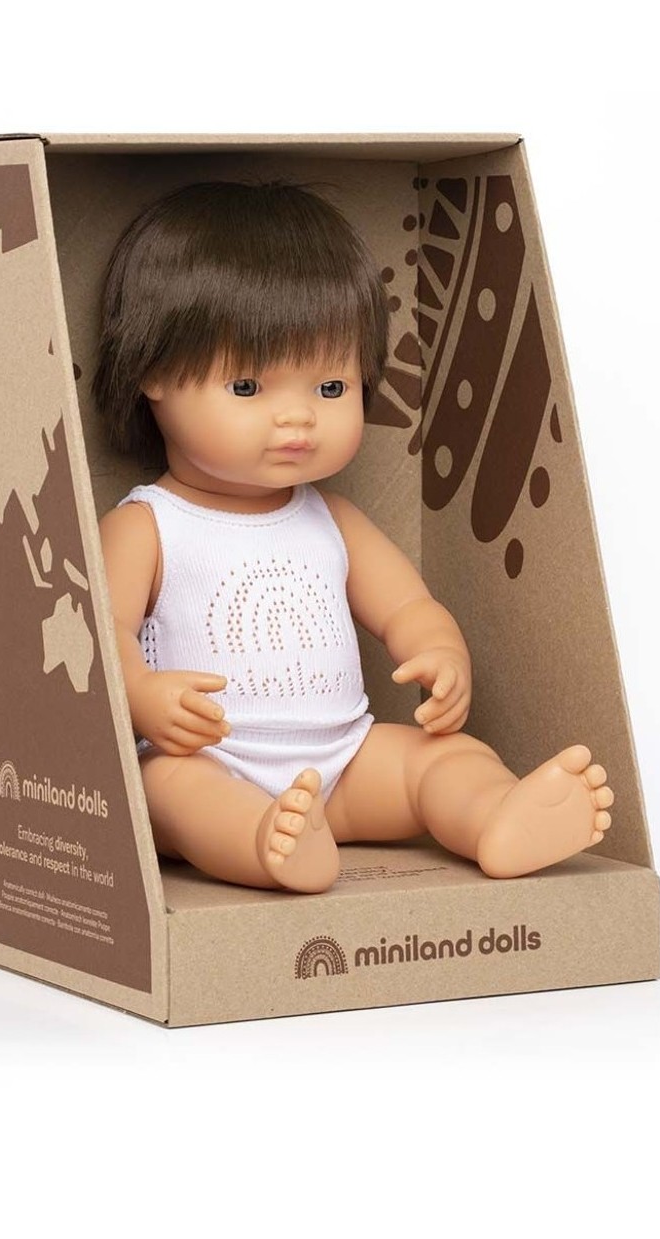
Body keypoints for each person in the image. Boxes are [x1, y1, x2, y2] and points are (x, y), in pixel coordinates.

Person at [92, 179, 613, 892]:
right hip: (214, 757)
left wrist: (441, 653)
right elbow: (105, 638)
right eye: (248, 388)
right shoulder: (147, 525)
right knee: (167, 792)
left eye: (331, 388)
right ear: (153, 372)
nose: (298, 418)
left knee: (442, 758)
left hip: (347, 760)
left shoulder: (331, 520)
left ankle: (497, 816)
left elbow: (408, 607)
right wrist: (143, 696)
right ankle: (265, 842)